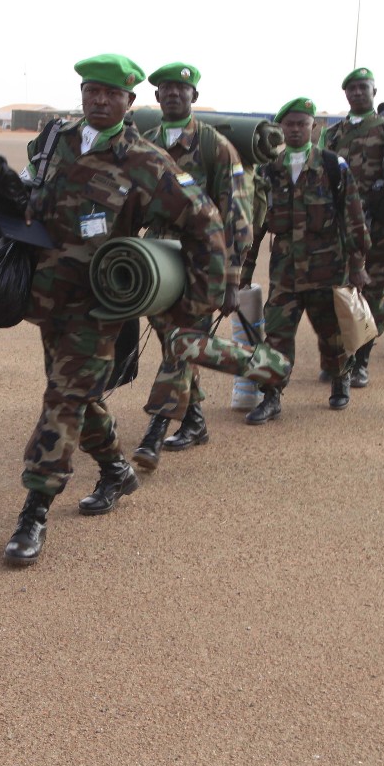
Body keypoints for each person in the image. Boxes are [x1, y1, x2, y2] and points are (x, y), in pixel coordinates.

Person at [3, 54, 226, 566]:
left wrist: (201, 297)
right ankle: (115, 470)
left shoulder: (144, 160)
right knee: (80, 397)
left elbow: (205, 221)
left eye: (112, 94)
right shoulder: (56, 141)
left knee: (62, 399)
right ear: (82, 94)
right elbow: (29, 193)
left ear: (130, 102)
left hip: (101, 305)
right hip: (47, 298)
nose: (100, 101)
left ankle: (33, 511)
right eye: (91, 91)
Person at [131, 62, 251, 468]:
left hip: (205, 262)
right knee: (174, 342)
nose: (172, 95)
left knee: (182, 344)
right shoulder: (143, 143)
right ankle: (196, 421)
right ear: (157, 97)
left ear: (194, 97)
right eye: (165, 89)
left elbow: (237, 214)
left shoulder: (216, 147)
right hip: (158, 262)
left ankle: (154, 432)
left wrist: (233, 279)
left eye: (181, 90)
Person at [242, 97, 369, 421]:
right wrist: (244, 270)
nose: (296, 129)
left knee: (331, 333)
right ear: (281, 127)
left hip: (327, 268)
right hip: (285, 271)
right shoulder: (270, 171)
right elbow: (256, 224)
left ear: (314, 127)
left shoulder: (331, 166)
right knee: (277, 333)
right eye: (290, 124)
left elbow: (353, 216)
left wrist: (357, 266)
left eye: (302, 123)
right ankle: (272, 396)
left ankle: (340, 380)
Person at [322, 68, 384, 387]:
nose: (357, 93)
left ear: (374, 92)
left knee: (376, 291)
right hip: (340, 228)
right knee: (337, 293)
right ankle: (339, 358)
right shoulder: (335, 133)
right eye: (351, 88)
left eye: (362, 88)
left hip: (379, 227)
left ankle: (362, 359)